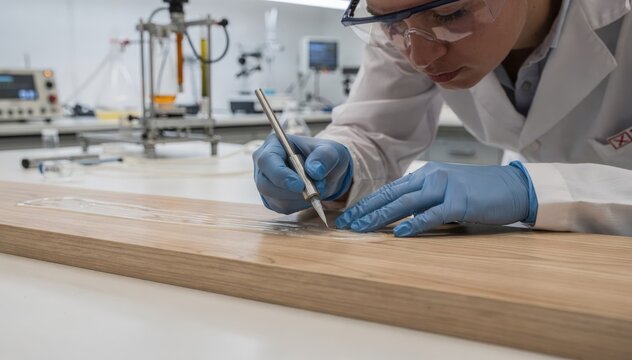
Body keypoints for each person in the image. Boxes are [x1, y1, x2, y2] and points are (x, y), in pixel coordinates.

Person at [253, 0, 632, 236]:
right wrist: (342, 161)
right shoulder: (408, 26)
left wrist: (532, 189)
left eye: (450, 14)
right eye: (390, 24)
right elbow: (375, 132)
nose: (418, 57)